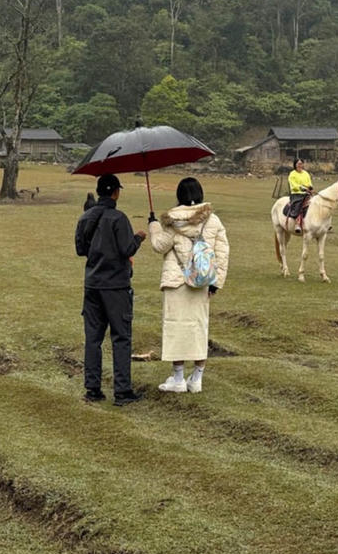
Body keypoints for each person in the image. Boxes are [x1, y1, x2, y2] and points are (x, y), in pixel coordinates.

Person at [148, 177, 230, 394]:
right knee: (198, 328)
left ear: (179, 196)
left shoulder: (172, 221)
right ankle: (197, 378)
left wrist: (154, 226)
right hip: (201, 282)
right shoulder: (213, 221)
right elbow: (222, 254)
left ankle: (178, 378)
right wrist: (215, 283)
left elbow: (159, 246)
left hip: (176, 281)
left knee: (176, 328)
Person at [74, 173, 147, 405]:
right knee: (121, 337)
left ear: (99, 192)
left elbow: (80, 249)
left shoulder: (86, 217)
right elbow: (127, 249)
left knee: (93, 338)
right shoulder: (118, 218)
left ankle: (93, 388)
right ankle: (122, 391)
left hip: (92, 283)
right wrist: (138, 238)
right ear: (116, 192)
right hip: (116, 286)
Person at [286, 157, 313, 233]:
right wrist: (302, 188)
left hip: (306, 193)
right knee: (299, 205)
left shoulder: (306, 173)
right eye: (298, 164)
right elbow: (293, 185)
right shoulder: (292, 174)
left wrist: (310, 187)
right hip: (296, 194)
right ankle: (297, 224)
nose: (300, 165)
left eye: (301, 164)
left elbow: (309, 183)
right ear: (295, 165)